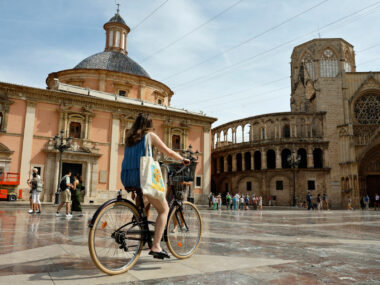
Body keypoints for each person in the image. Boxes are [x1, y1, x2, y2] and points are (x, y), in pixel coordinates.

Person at [121, 113, 189, 259]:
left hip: (128, 177)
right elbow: (168, 152)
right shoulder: (150, 136)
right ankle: (156, 246)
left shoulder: (128, 139)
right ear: (149, 125)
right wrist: (183, 159)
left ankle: (141, 225)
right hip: (143, 177)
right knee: (164, 210)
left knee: (146, 200)